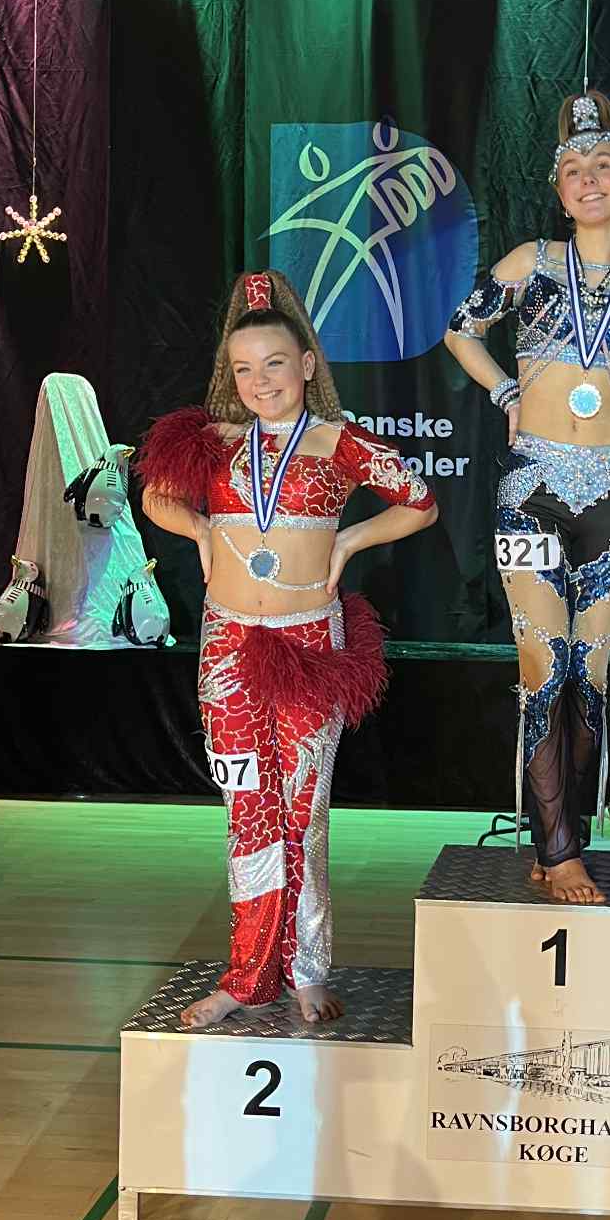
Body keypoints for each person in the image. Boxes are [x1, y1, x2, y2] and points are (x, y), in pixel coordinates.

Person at [138, 270, 436, 1028]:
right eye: (243, 368)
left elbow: (421, 502)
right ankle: (246, 976)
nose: (260, 381)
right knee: (248, 810)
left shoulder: (340, 443)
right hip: (228, 647)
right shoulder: (212, 443)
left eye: (273, 363)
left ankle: (305, 969)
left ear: (306, 364)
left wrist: (351, 540)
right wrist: (201, 529)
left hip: (309, 646)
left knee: (304, 812)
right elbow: (154, 496)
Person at [444, 89, 610, 905]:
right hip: (532, 488)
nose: (588, 179)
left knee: (590, 677)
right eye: (573, 170)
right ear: (560, 193)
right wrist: (503, 393)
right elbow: (460, 329)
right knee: (543, 666)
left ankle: (561, 839)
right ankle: (559, 855)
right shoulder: (529, 263)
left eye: (602, 166)